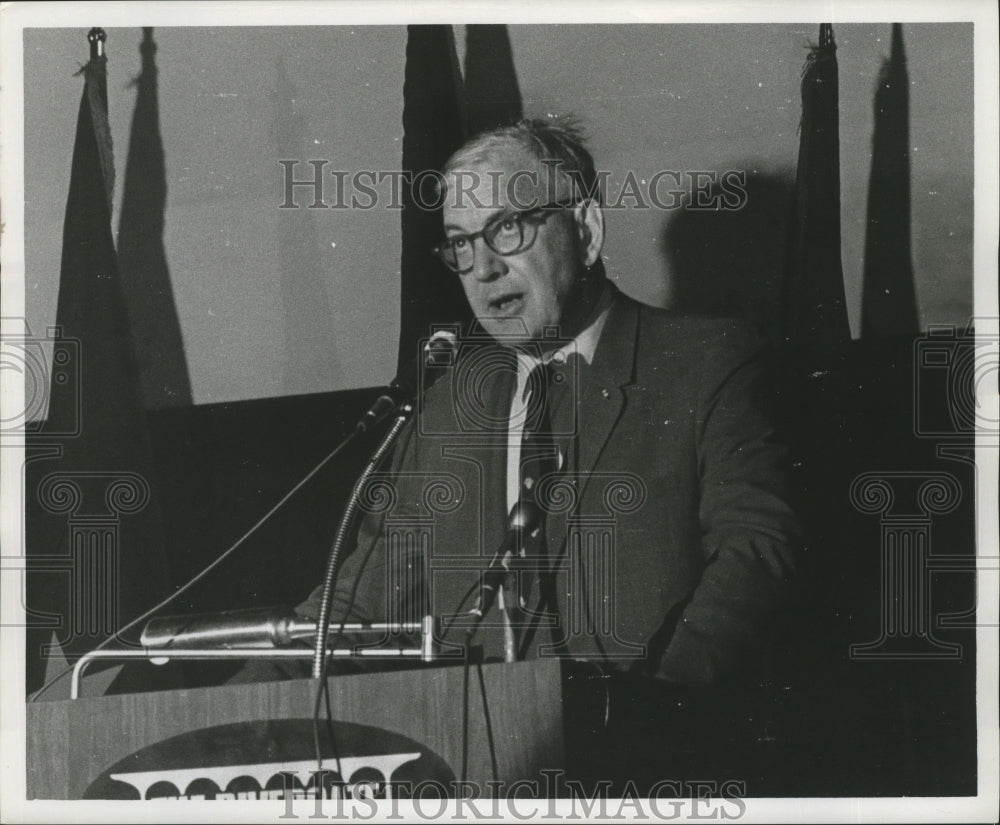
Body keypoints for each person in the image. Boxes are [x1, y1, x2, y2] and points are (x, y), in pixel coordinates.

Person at [250, 119, 800, 788]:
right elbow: (360, 609)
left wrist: (658, 709)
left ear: (588, 230)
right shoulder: (448, 409)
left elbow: (758, 546)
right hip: (484, 777)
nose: (482, 267)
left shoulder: (704, 361)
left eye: (506, 228)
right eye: (460, 243)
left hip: (661, 771)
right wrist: (221, 710)